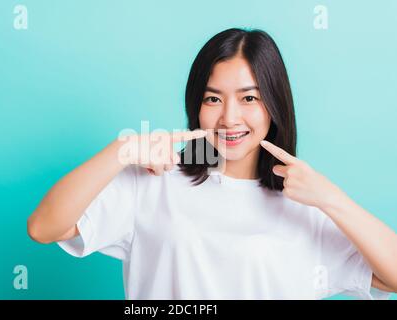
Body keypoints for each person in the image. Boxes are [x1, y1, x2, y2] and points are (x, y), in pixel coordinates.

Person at [27, 28, 397, 299]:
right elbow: (44, 228)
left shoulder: (308, 210)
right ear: (196, 105)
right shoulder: (154, 182)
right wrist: (121, 151)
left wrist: (334, 201)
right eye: (213, 99)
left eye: (249, 98)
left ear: (274, 104)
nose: (230, 118)